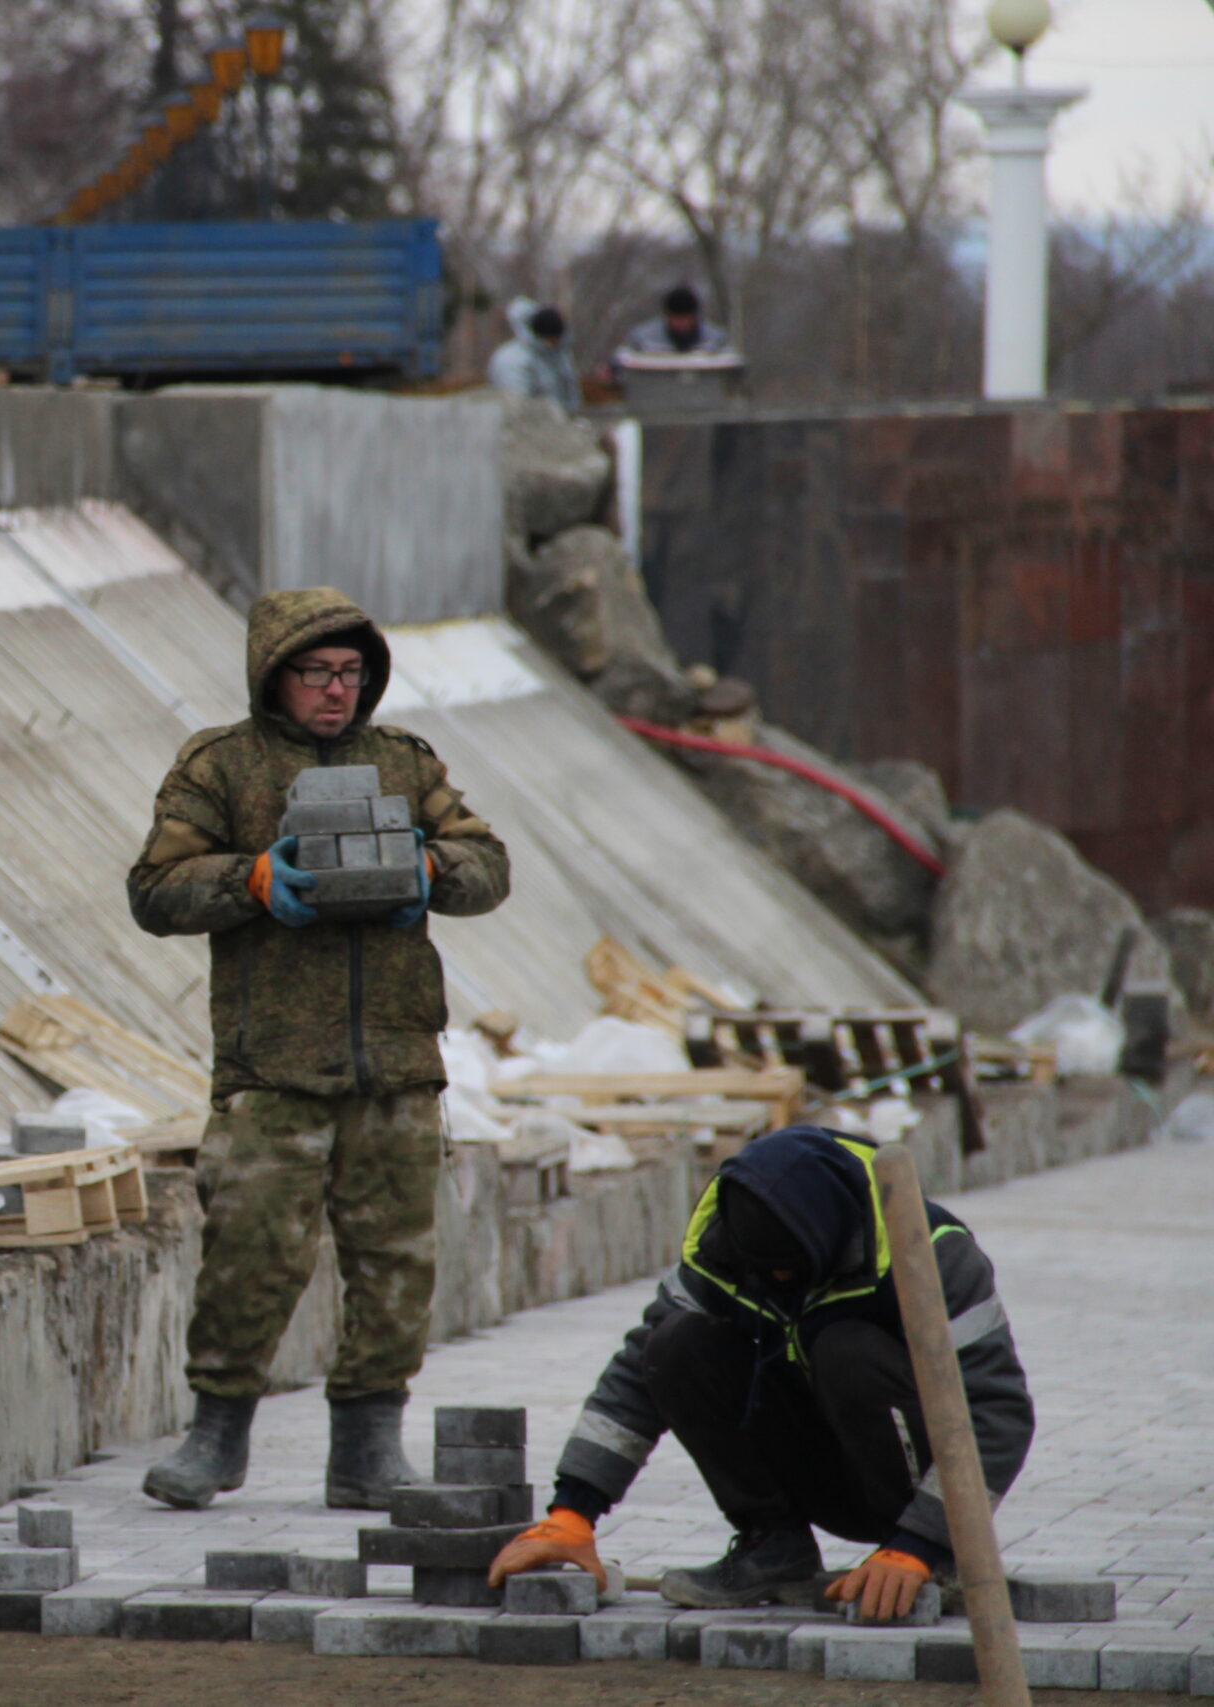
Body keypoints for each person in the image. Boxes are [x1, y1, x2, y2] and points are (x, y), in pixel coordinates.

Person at [127, 587, 511, 1511]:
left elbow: (490, 864)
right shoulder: (222, 766)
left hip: (394, 1062)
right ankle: (216, 1436)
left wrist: (429, 867)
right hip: (274, 1065)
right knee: (250, 1251)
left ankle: (369, 1449)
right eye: (316, 673)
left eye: (350, 672)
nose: (336, 691)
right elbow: (155, 890)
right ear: (274, 675)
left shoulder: (404, 762)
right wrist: (253, 879)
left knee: (395, 1265)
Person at [489, 1126, 1033, 1618]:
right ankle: (774, 1546)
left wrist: (923, 1542)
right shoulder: (724, 1248)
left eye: (790, 1267)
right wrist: (573, 1512)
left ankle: (927, 1562)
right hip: (815, 1471)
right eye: (765, 1268)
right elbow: (637, 1374)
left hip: (912, 1490)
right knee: (675, 1343)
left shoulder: (929, 1253)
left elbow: (999, 1412)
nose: (777, 1279)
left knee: (846, 1351)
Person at [487, 296, 580, 412]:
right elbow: (517, 406)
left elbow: (571, 394)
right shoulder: (511, 360)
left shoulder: (560, 356)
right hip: (528, 421)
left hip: (557, 421)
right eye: (551, 339)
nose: (555, 343)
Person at [623, 284, 732, 357]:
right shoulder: (643, 339)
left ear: (695, 317)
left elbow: (731, 367)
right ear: (667, 316)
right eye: (676, 318)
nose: (681, 323)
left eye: (686, 318)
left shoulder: (716, 340)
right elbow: (623, 362)